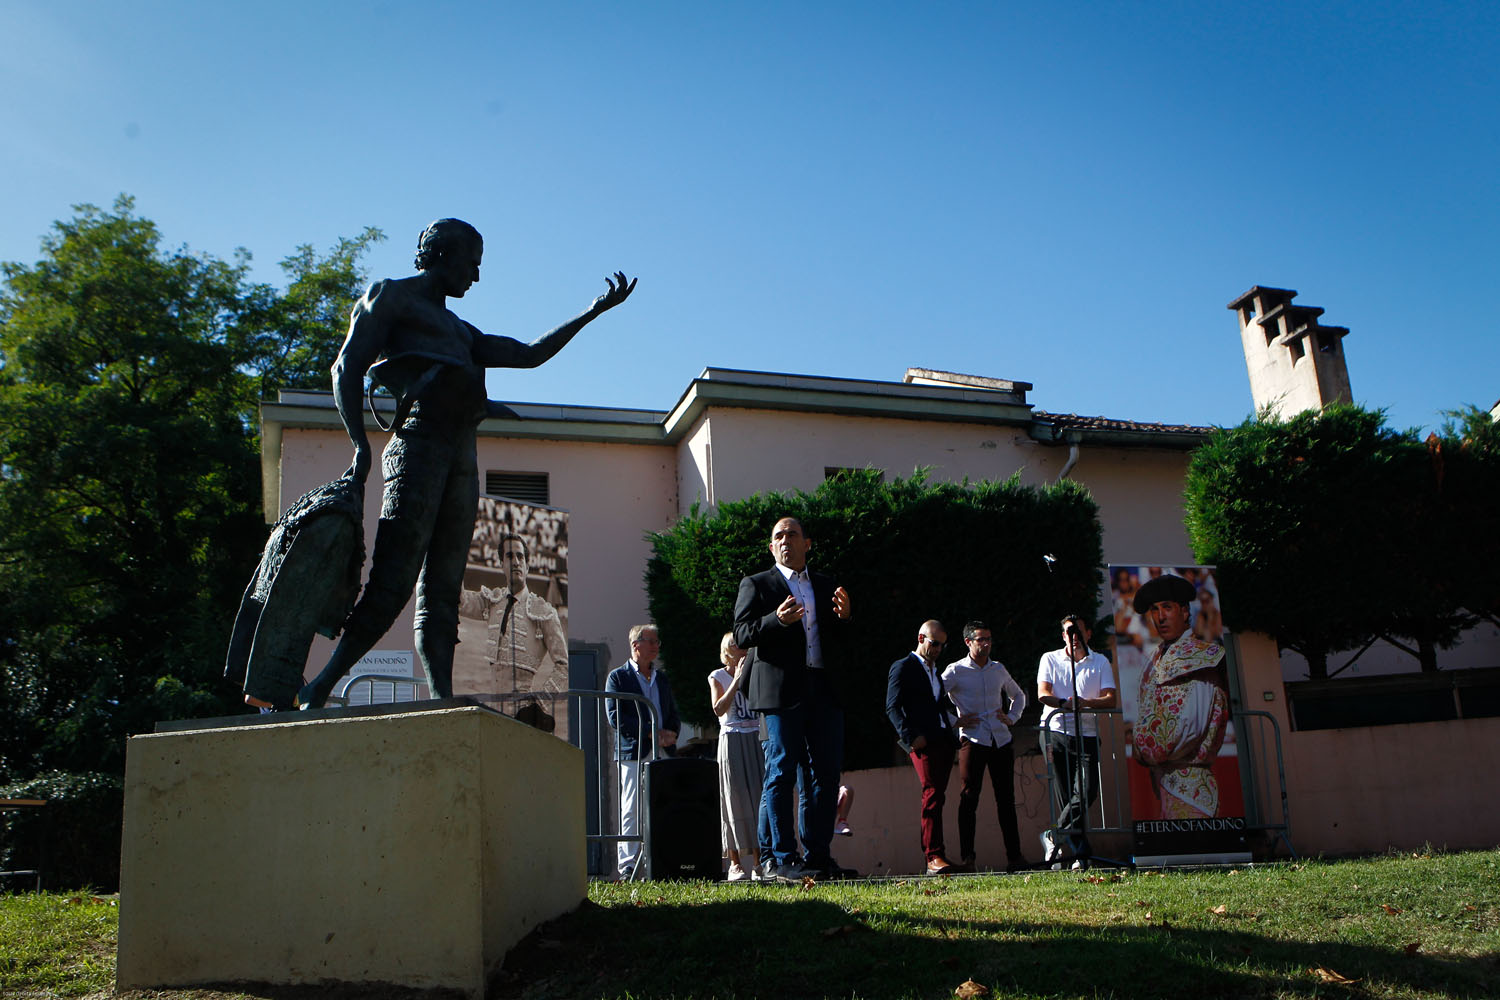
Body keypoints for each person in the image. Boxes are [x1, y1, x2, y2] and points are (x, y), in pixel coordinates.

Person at [296, 218, 634, 708]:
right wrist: (359, 446)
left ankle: (440, 696)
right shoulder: (390, 296)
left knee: (444, 592)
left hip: (460, 457)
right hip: (416, 449)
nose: (475, 278)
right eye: (471, 264)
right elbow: (346, 367)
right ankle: (321, 685)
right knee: (392, 585)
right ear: (440, 254)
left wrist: (593, 311)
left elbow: (531, 354)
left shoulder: (462, 331)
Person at [733, 516, 853, 882]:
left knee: (825, 774)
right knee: (781, 771)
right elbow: (742, 633)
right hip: (780, 692)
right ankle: (782, 858)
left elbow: (840, 638)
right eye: (778, 537)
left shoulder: (826, 584)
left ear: (807, 543)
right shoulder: (757, 584)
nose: (785, 541)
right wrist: (775, 621)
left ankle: (818, 855)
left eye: (792, 534)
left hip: (822, 687)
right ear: (772, 548)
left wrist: (846, 618)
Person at [1132, 574, 1231, 819]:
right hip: (1163, 781)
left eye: (1167, 607)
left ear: (1185, 612)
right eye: (1155, 610)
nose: (1160, 617)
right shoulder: (1155, 658)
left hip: (1191, 785)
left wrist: (1148, 751)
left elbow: (1191, 724)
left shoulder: (1203, 658)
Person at [942, 621, 1028, 872]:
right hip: (973, 738)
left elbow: (1018, 695)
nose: (986, 644)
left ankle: (1015, 857)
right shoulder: (956, 670)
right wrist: (954, 720)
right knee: (969, 797)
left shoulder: (997, 669)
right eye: (981, 639)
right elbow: (933, 697)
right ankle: (968, 858)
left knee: (1006, 800)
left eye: (989, 638)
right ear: (968, 642)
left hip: (1000, 739)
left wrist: (1012, 717)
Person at [1036, 615, 1118, 867]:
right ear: (1063, 636)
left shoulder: (1100, 661)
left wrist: (1086, 703)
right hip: (1056, 731)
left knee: (1086, 791)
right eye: (1068, 633)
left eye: (1078, 633)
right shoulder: (1050, 658)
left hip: (1087, 734)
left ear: (1088, 634)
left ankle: (1054, 835)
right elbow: (1043, 693)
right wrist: (1064, 704)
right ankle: (1079, 854)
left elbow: (1110, 698)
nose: (1073, 638)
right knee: (1065, 795)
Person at [885, 620, 961, 875]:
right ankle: (932, 856)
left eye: (942, 645)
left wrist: (952, 733)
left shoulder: (934, 671)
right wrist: (910, 737)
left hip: (942, 739)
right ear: (921, 639)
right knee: (931, 794)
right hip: (923, 741)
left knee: (937, 796)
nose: (938, 649)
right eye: (934, 643)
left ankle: (937, 853)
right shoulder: (903, 667)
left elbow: (936, 705)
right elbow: (892, 707)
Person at [605, 624, 679, 879]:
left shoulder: (663, 678)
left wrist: (671, 733)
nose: (656, 646)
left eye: (657, 642)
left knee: (665, 803)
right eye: (652, 641)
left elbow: (671, 712)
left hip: (663, 752)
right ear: (636, 644)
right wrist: (650, 732)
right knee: (632, 805)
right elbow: (616, 717)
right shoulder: (618, 677)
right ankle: (628, 865)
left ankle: (663, 860)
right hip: (633, 751)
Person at [474, 535, 568, 696]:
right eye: (510, 556)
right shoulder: (493, 601)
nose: (516, 562)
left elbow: (564, 665)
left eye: (521, 557)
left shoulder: (544, 612)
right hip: (494, 707)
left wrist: (540, 703)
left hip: (523, 710)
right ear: (501, 564)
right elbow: (460, 600)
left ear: (527, 566)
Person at [709, 633, 763, 881]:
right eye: (737, 645)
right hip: (731, 738)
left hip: (754, 736)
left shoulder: (755, 671)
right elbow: (719, 708)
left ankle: (761, 862)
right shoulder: (717, 676)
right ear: (728, 650)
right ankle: (735, 863)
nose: (743, 649)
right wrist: (737, 680)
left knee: (760, 796)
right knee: (733, 798)